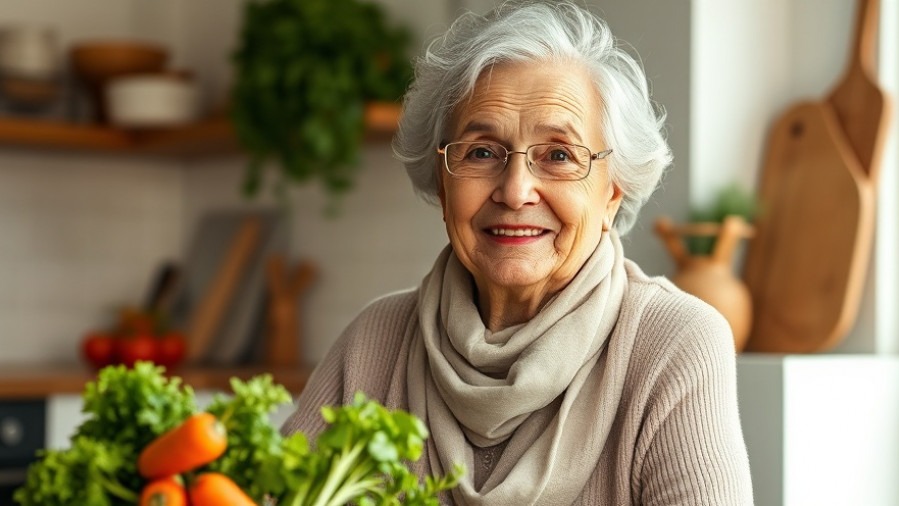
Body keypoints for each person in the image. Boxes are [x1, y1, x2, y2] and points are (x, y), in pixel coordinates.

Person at [281, 1, 754, 504]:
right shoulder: (374, 343)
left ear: (611, 191)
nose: (515, 190)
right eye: (482, 151)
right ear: (443, 184)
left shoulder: (673, 344)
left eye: (558, 155)